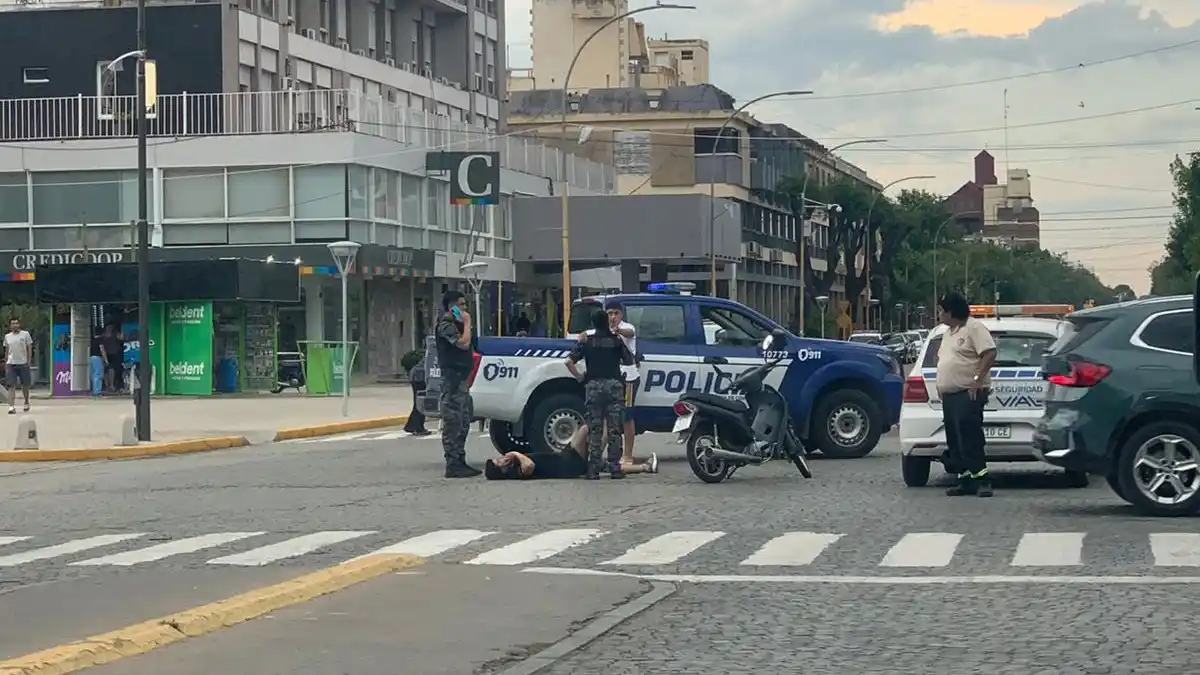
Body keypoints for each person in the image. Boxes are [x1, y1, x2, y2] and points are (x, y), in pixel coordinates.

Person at [935, 291, 997, 498]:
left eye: (941, 310)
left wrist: (977, 380)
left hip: (968, 393)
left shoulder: (974, 328)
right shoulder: (948, 333)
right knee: (955, 438)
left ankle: (982, 480)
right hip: (950, 395)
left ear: (951, 312)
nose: (939, 314)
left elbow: (989, 352)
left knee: (969, 436)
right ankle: (965, 479)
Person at [565, 310, 634, 479]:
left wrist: (580, 376)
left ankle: (593, 468)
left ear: (593, 323)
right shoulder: (616, 341)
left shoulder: (587, 341)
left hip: (593, 387)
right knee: (614, 429)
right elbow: (629, 360)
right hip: (614, 387)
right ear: (606, 322)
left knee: (594, 428)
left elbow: (568, 361)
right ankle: (615, 467)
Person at [435, 290, 482, 478]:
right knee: (453, 422)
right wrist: (468, 323)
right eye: (461, 305)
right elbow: (463, 343)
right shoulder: (446, 325)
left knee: (463, 421)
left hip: (461, 380)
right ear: (451, 307)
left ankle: (460, 460)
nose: (465, 309)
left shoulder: (457, 324)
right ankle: (453, 463)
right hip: (452, 381)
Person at [484, 444, 588, 480]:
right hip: (567, 464)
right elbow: (529, 466)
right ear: (501, 469)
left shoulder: (513, 464)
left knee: (584, 428)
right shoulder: (514, 473)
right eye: (499, 461)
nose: (501, 458)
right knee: (586, 429)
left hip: (562, 457)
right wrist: (515, 453)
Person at [4, 318, 33, 414]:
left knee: (25, 385)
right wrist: (6, 362)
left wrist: (28, 361)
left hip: (23, 363)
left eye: (16, 323)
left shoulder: (25, 334)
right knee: (11, 385)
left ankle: (26, 402)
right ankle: (11, 406)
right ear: (10, 326)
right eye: (13, 324)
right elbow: (7, 350)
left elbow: (29, 348)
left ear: (19, 324)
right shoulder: (7, 336)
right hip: (11, 364)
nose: (15, 325)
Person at [100, 324, 124, 393]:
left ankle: (111, 385)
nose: (109, 328)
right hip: (109, 354)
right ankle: (110, 386)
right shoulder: (107, 334)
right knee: (108, 370)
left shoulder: (112, 334)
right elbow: (121, 338)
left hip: (112, 354)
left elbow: (121, 338)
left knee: (111, 369)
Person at [89, 329, 105, 397]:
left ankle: (93, 390)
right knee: (98, 374)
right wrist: (105, 359)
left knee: (92, 374)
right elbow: (102, 350)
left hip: (90, 358)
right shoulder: (100, 340)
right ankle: (97, 391)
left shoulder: (91, 340)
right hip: (97, 358)